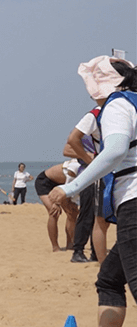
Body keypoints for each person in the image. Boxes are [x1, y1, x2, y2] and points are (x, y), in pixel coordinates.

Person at [48, 56, 137, 327]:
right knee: (110, 278)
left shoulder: (116, 105)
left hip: (135, 200)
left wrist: (70, 187)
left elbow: (114, 150)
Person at [65, 93, 108, 263]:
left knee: (101, 215)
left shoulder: (112, 116)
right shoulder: (93, 117)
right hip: (89, 175)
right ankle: (78, 250)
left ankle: (95, 252)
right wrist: (89, 157)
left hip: (104, 173)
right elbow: (68, 147)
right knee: (88, 213)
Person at [35, 161, 82, 252]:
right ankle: (55, 247)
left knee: (73, 212)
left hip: (62, 185)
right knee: (54, 212)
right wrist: (57, 202)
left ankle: (70, 244)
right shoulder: (76, 165)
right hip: (46, 183)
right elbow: (69, 184)